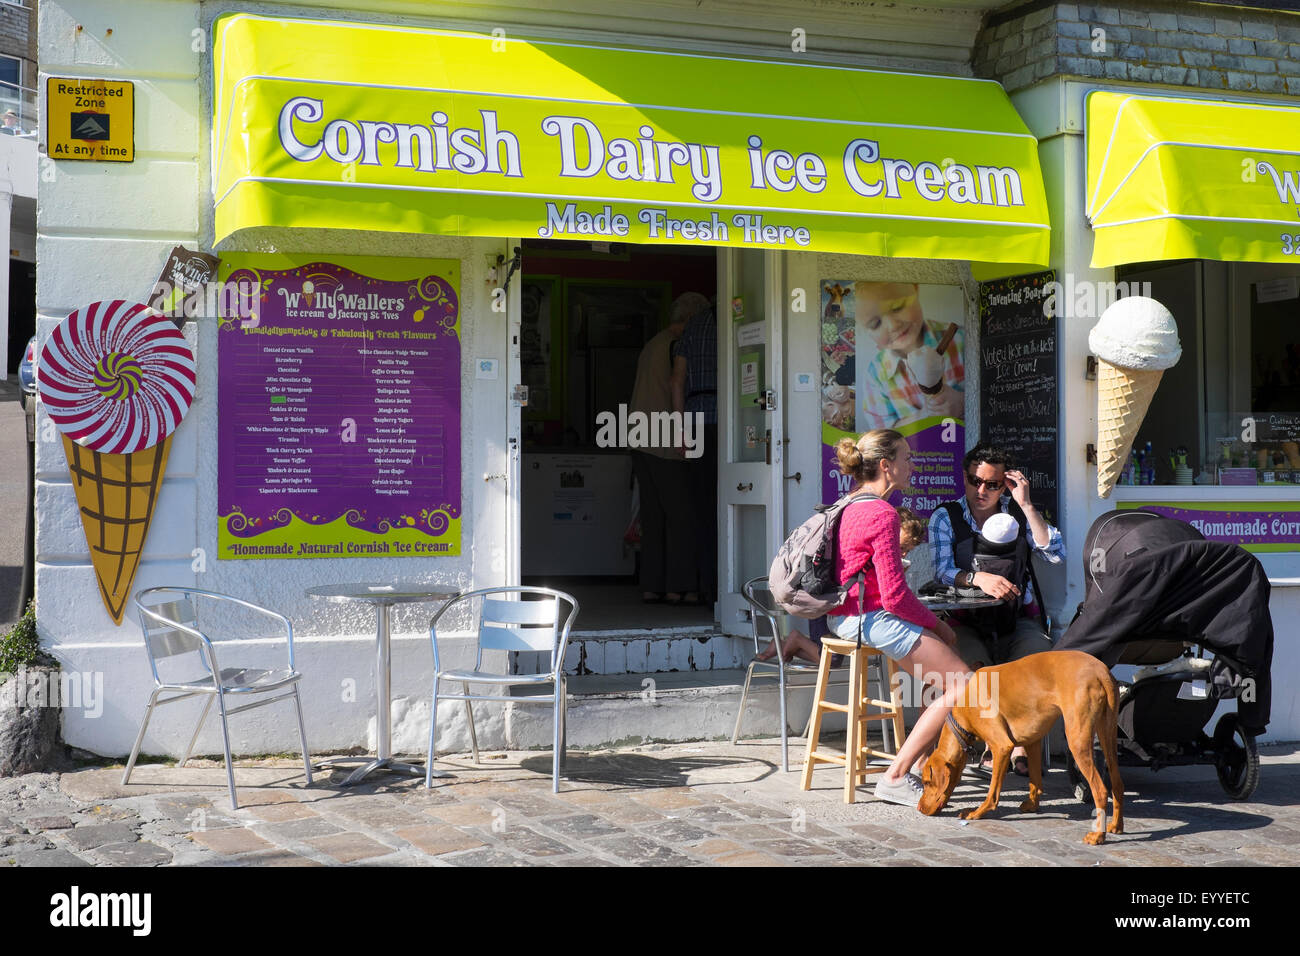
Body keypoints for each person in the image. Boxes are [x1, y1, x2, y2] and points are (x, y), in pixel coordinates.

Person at [823, 429, 973, 807]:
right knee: (965, 684)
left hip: (846, 616)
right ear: (886, 466)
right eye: (907, 457)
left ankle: (922, 761)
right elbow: (894, 596)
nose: (913, 464)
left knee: (936, 675)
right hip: (869, 617)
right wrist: (937, 624)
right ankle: (895, 775)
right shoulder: (882, 513)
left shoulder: (849, 504)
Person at [927, 442, 1065, 774]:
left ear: (1005, 483)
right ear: (964, 478)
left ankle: (1018, 747)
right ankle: (996, 744)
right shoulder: (946, 516)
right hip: (966, 620)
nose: (982, 491)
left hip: (1016, 619)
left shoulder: (1017, 513)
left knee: (1036, 664)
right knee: (975, 672)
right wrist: (977, 578)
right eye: (975, 481)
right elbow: (941, 569)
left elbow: (1053, 552)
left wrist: (1027, 505)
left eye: (992, 484)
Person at [757, 507, 927, 664]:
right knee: (833, 658)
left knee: (834, 657)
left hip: (845, 608)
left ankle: (787, 645)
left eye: (908, 550)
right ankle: (795, 640)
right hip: (826, 603)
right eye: (901, 547)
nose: (903, 553)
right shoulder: (870, 554)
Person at [630, 293, 705, 605]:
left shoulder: (653, 342)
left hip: (640, 437)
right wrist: (682, 434)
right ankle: (680, 587)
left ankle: (651, 586)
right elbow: (677, 385)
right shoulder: (679, 344)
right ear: (690, 318)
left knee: (653, 515)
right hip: (664, 439)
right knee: (681, 515)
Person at [854, 280, 964, 430]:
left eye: (897, 307)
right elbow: (884, 434)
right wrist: (926, 414)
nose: (893, 325)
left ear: (915, 288)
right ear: (865, 332)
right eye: (875, 324)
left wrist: (963, 402)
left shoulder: (962, 340)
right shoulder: (875, 376)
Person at [670, 295, 717, 604]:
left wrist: (679, 430)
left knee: (702, 508)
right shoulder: (737, 322)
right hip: (734, 422)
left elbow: (677, 381)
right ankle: (725, 593)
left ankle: (706, 587)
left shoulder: (693, 328)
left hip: (697, 419)